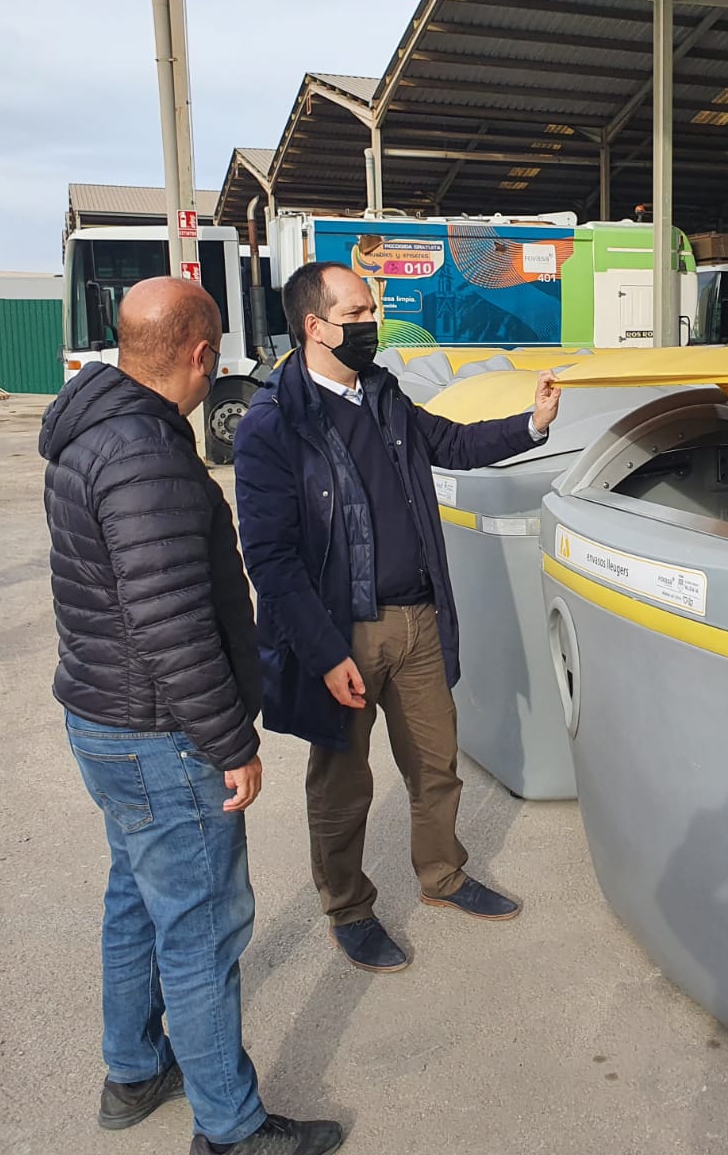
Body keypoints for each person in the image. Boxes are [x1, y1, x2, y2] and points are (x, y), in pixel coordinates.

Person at [40, 277, 343, 1155]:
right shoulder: (145, 456)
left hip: (105, 719)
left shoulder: (93, 428)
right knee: (202, 928)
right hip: (158, 735)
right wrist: (228, 742)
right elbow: (171, 624)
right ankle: (231, 1128)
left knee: (138, 897)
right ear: (202, 354)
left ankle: (135, 1070)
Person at [233, 261, 560, 974]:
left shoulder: (382, 393)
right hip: (341, 632)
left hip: (416, 620)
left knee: (437, 763)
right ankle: (348, 908)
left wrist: (532, 424)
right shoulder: (274, 424)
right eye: (356, 312)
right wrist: (324, 653)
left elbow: (452, 444)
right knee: (343, 784)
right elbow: (270, 558)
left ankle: (442, 875)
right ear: (315, 326)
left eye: (372, 309)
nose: (371, 322)